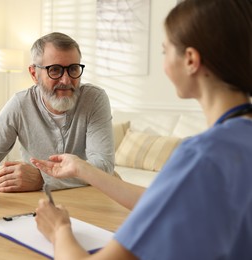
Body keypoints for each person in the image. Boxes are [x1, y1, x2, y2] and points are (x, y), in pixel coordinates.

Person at [30, 0, 252, 259]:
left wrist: (59, 230)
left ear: (190, 60)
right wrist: (82, 168)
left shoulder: (201, 157)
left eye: (164, 50)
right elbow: (165, 200)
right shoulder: (236, 142)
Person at [0, 32, 115, 192]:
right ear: (34, 74)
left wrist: (43, 179)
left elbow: (103, 165)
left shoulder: (94, 99)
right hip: (37, 202)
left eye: (73, 69)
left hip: (88, 197)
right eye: (55, 70)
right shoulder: (20, 103)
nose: (66, 80)